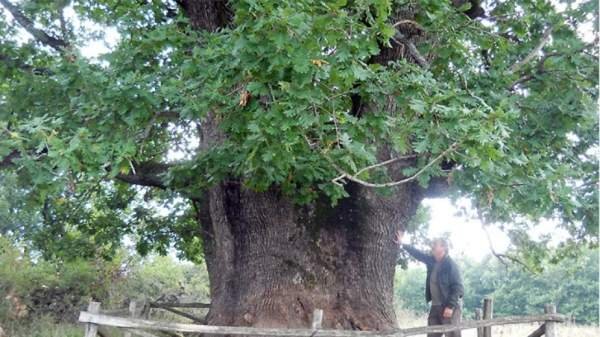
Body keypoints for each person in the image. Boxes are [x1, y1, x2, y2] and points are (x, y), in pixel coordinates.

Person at [394, 230, 464, 337]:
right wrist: (402, 244)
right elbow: (418, 254)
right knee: (432, 335)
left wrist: (450, 307)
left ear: (443, 248)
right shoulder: (431, 261)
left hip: (449, 307)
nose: (432, 246)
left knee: (452, 335)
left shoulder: (451, 265)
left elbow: (458, 287)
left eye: (435, 245)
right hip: (435, 307)